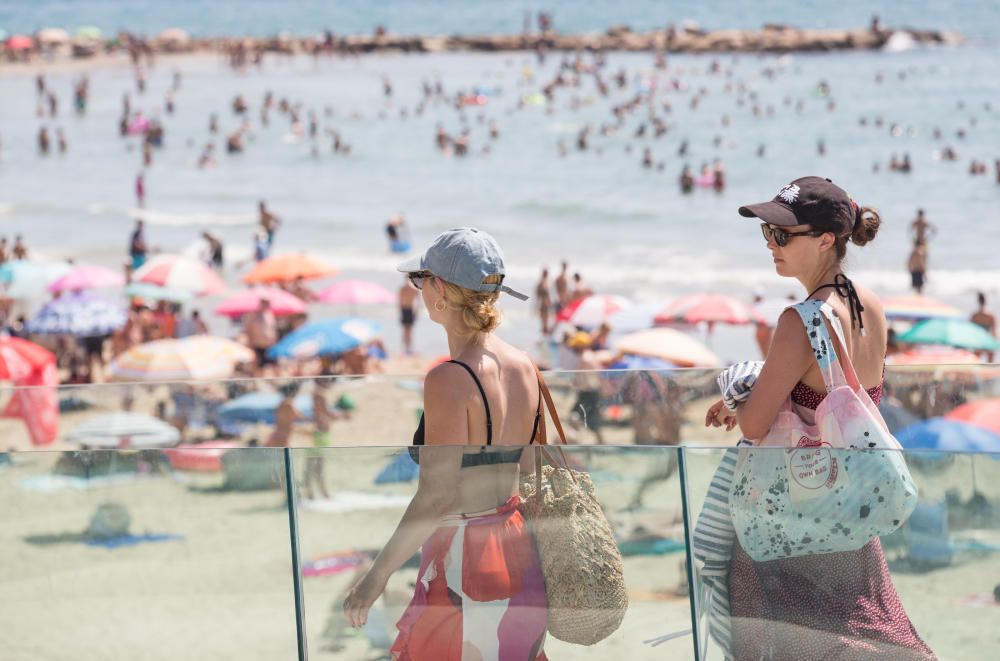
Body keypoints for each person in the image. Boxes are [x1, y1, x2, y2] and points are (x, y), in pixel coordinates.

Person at [706, 176, 934, 658]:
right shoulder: (869, 306)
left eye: (784, 235)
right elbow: (846, 395)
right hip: (852, 512)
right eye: (767, 233)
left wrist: (738, 394)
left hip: (797, 521)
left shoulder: (800, 320)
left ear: (826, 239)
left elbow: (754, 425)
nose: (772, 245)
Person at [344, 227, 548, 659]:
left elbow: (435, 496)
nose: (417, 290)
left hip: (466, 557)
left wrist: (375, 578)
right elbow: (529, 467)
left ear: (439, 289)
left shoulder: (449, 378)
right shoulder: (524, 365)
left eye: (419, 280)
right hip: (518, 548)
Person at [303, 377, 349, 500]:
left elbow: (321, 413)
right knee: (318, 464)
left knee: (314, 463)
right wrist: (343, 415)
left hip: (319, 432)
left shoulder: (315, 394)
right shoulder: (321, 395)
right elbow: (326, 414)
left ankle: (312, 491)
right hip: (322, 433)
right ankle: (321, 492)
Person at [244, 298, 278, 371]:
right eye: (264, 303)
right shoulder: (253, 315)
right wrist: (250, 345)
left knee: (272, 366)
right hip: (257, 345)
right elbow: (249, 330)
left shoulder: (270, 315)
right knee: (258, 366)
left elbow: (273, 330)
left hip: (269, 345)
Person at [971, 292, 997, 362]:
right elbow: (994, 333)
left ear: (978, 301)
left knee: (975, 361)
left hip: (978, 341)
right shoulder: (990, 316)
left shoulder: (974, 316)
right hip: (987, 340)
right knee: (990, 363)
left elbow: (970, 332)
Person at [398, 275, 418, 355]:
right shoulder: (406, 288)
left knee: (407, 331)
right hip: (407, 310)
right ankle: (406, 349)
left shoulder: (405, 288)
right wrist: (417, 312)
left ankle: (407, 349)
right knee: (407, 331)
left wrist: (416, 312)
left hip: (408, 310)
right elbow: (399, 302)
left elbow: (400, 302)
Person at [535, 268, 553, 335]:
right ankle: (544, 338)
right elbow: (539, 295)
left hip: (544, 304)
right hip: (544, 304)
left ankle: (544, 338)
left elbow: (537, 294)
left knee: (545, 323)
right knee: (545, 323)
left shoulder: (541, 282)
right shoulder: (543, 283)